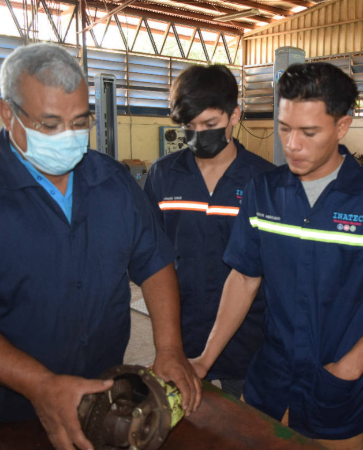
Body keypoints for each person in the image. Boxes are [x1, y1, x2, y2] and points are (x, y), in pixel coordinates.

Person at [0, 42, 201, 450]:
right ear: (7, 114)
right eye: (49, 124)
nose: (68, 137)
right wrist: (39, 384)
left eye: (79, 121)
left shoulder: (113, 183)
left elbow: (154, 262)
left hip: (99, 401)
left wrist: (170, 347)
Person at [190, 62, 363, 449]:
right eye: (284, 128)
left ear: (342, 126)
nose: (291, 144)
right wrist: (204, 358)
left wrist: (351, 366)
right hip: (270, 375)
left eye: (308, 132)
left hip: (338, 382)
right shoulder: (263, 192)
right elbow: (244, 278)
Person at [144, 64, 275, 399]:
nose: (199, 134)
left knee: (244, 428)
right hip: (181, 334)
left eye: (210, 124)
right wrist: (167, 343)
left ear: (234, 115)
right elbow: (151, 260)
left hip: (248, 338)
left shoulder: (266, 182)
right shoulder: (162, 177)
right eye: (190, 126)